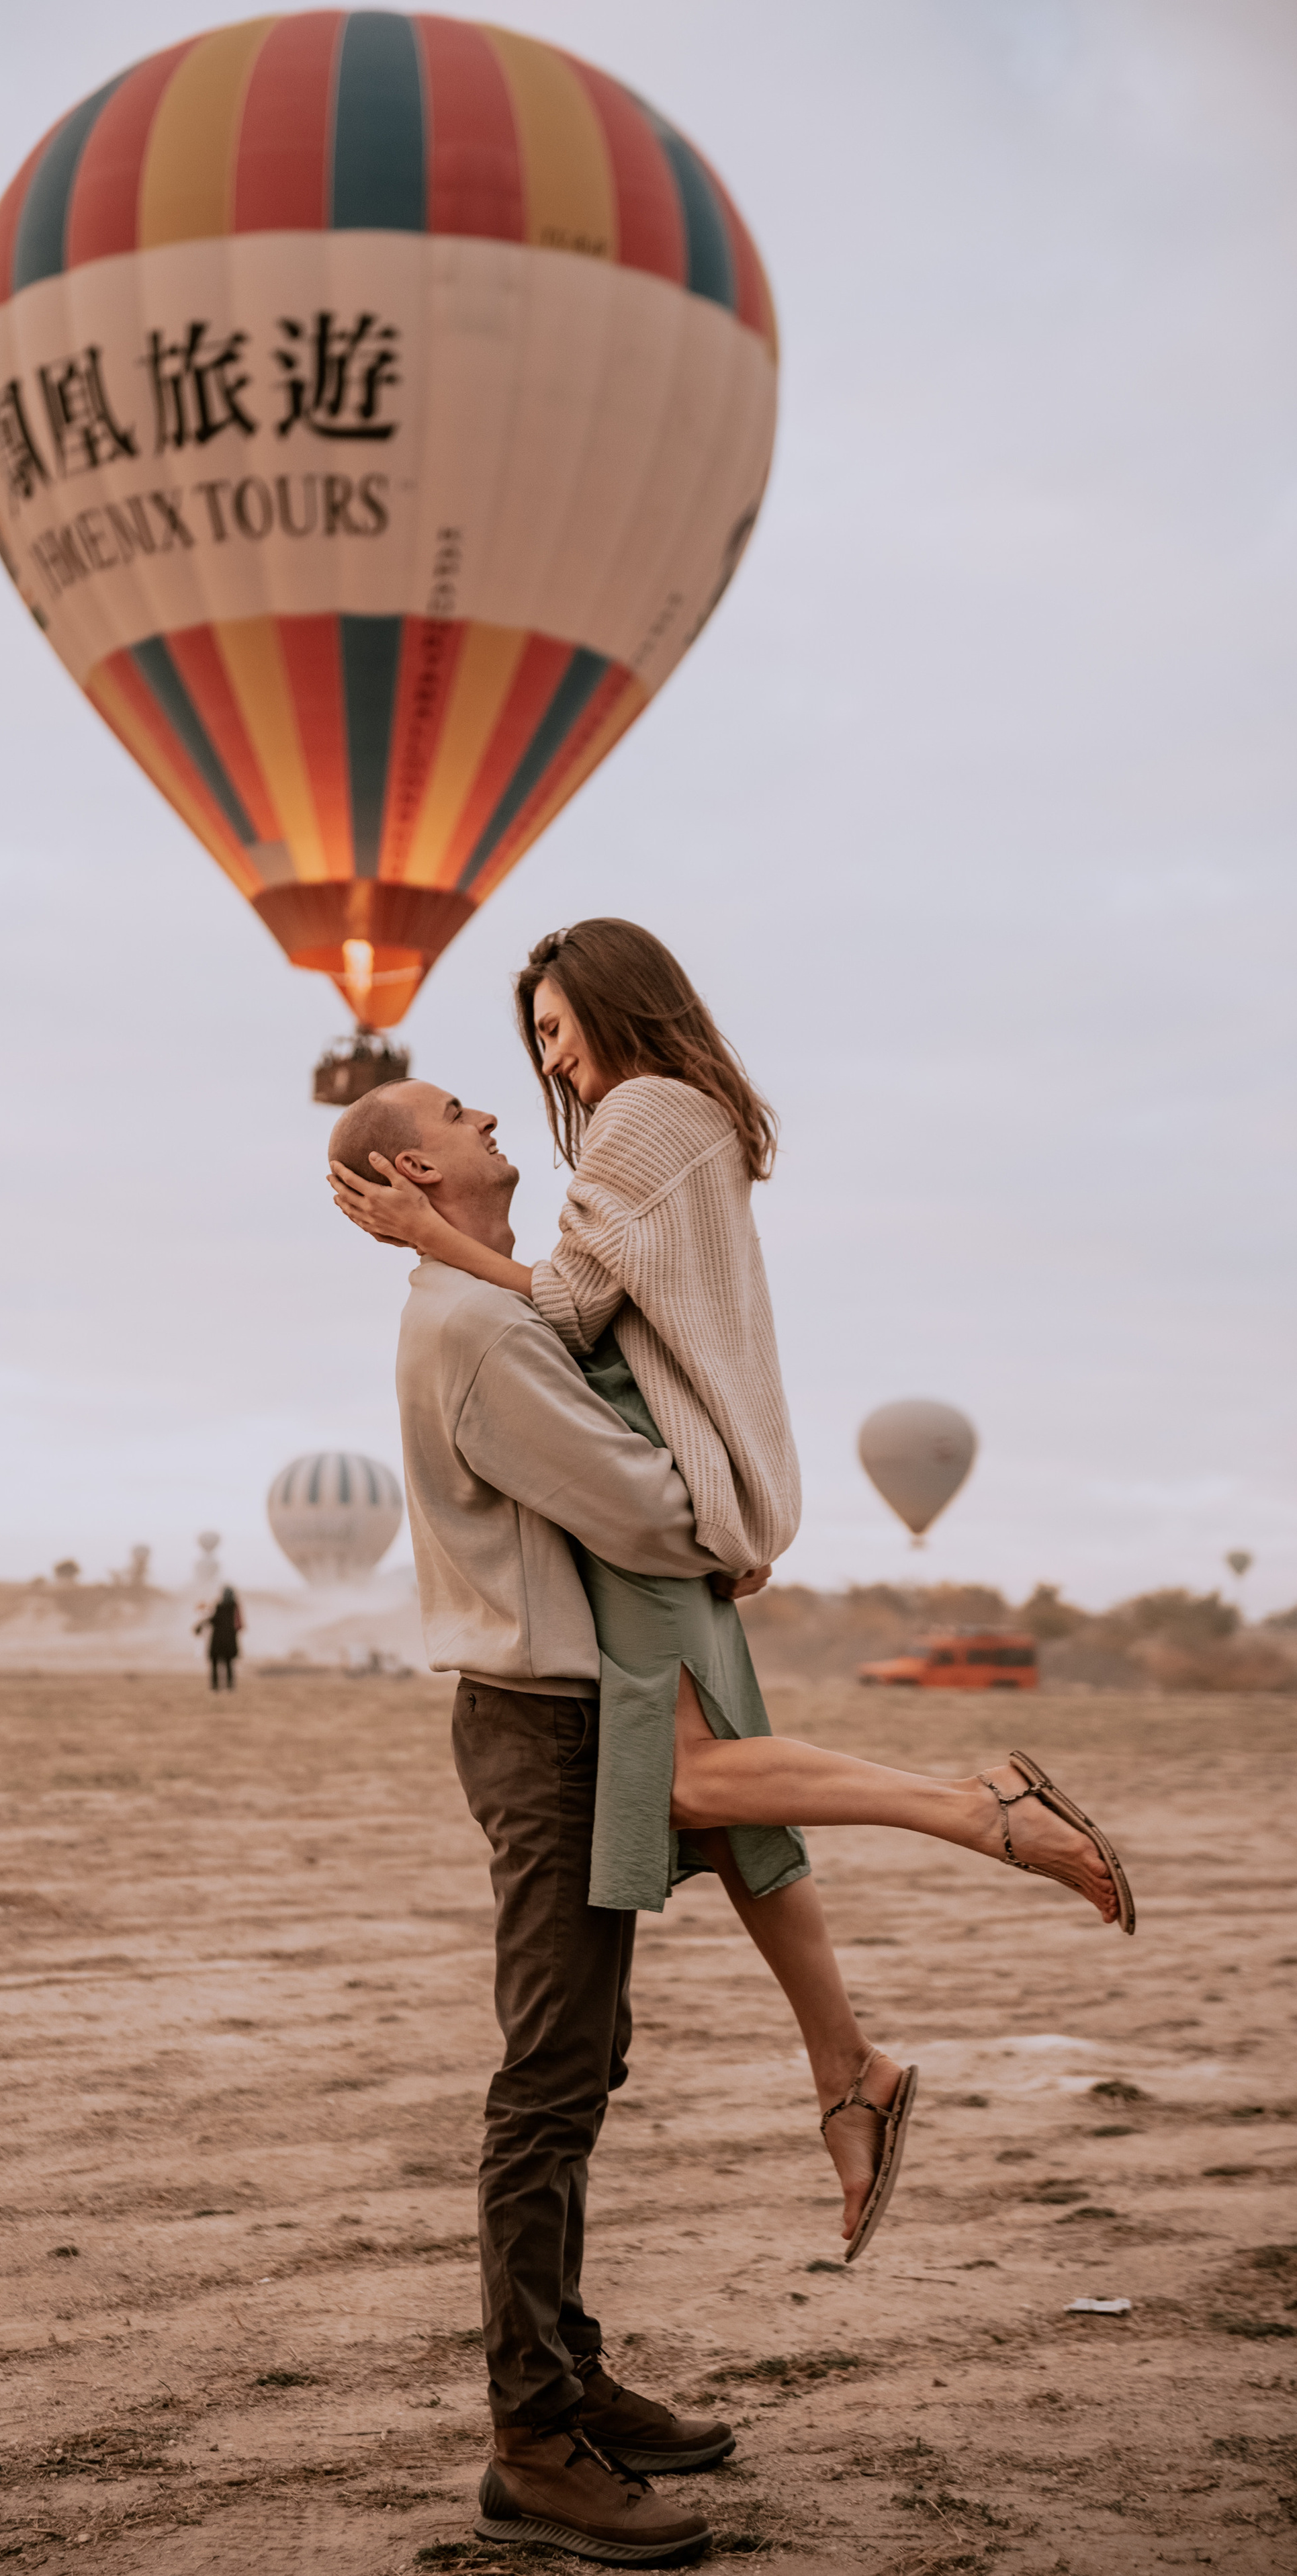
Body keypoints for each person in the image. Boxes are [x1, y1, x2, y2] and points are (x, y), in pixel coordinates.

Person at [327, 1025, 1133, 2557]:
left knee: (585, 2055)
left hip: (578, 1713)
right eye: (456, 1103)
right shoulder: (477, 1333)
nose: (499, 1098)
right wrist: (729, 1503)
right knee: (548, 2080)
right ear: (413, 1167)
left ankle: (569, 2368)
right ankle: (529, 2437)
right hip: (543, 1725)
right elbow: (641, 1506)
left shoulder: (499, 1309)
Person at [195, 1585, 243, 1690]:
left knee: (215, 1663)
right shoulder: (235, 1607)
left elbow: (213, 1619)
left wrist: (200, 1625)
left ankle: (215, 1686)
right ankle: (230, 1686)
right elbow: (240, 1625)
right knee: (229, 1664)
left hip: (218, 1641)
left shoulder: (220, 1606)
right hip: (230, 1641)